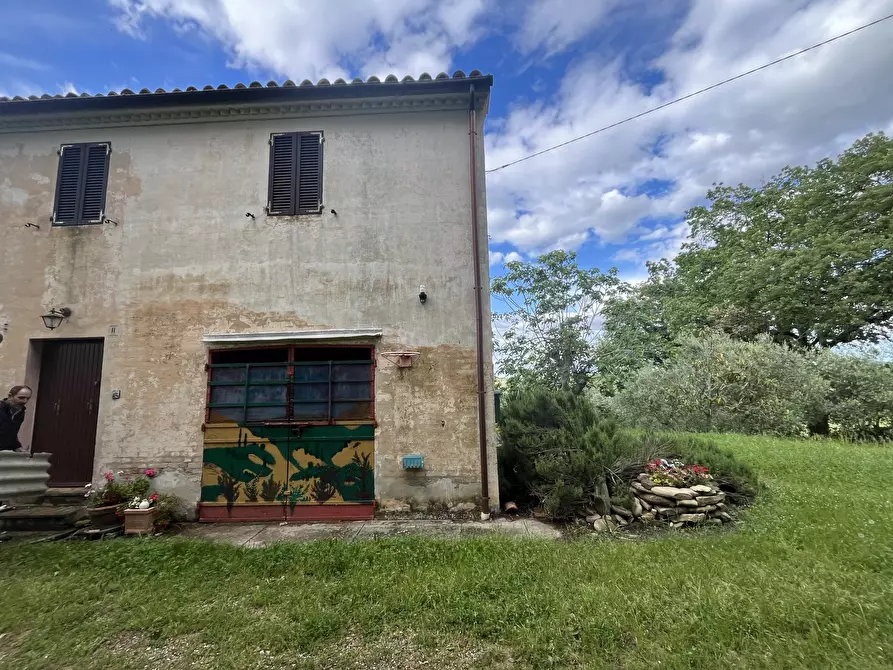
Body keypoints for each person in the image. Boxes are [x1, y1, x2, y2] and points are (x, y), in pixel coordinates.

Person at [0, 385, 32, 514]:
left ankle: (3, 503)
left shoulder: (20, 413)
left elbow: (12, 432)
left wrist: (17, 446)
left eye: (27, 398)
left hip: (5, 449)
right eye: (21, 397)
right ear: (10, 396)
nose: (24, 401)